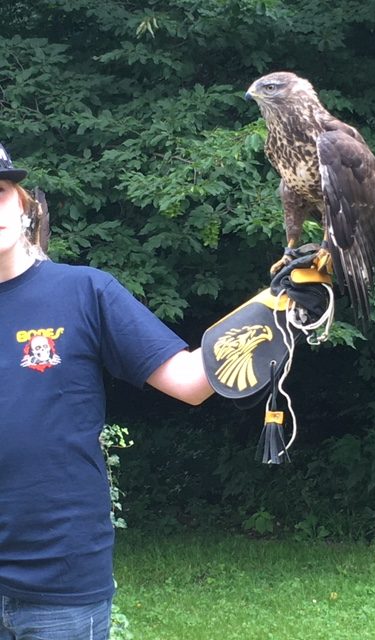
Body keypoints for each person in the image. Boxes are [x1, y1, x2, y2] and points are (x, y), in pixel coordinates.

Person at [0, 144, 214, 639]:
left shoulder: (85, 292)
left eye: (0, 192)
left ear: (24, 205)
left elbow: (190, 382)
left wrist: (273, 309)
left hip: (61, 582)